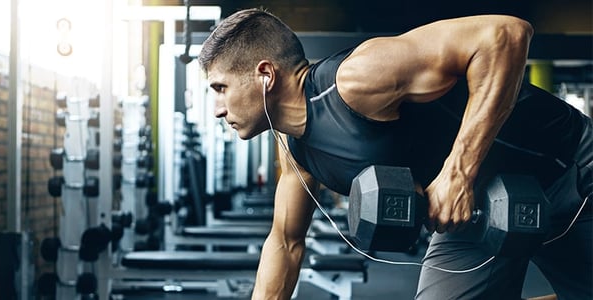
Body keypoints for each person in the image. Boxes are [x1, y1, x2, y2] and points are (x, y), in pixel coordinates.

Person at [198, 8, 592, 300]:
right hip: (477, 217)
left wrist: (458, 173)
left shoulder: (358, 79)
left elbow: (506, 34)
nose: (217, 109)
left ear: (265, 74)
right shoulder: (295, 149)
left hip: (568, 170)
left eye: (220, 88)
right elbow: (285, 242)